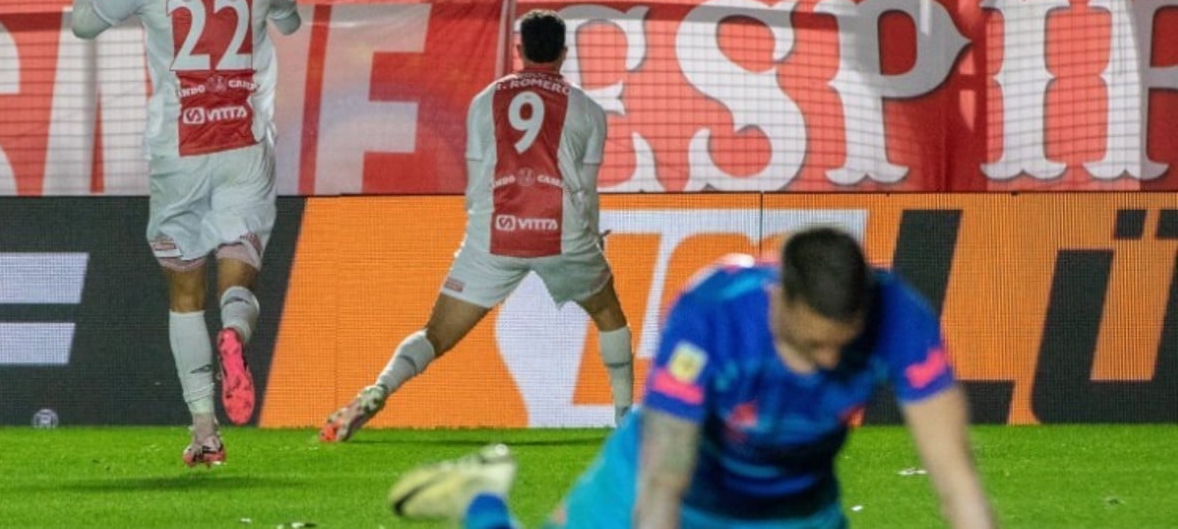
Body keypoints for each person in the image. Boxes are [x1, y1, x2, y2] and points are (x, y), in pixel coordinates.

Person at [389, 225, 999, 529]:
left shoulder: (900, 315)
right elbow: (664, 482)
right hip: (666, 477)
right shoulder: (712, 314)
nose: (827, 365)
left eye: (842, 346)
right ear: (779, 299)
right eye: (812, 345)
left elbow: (955, 479)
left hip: (797, 508)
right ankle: (484, 497)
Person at [70, 0, 301, 467]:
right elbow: (291, 23)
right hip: (243, 143)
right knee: (240, 264)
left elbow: (84, 24)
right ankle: (235, 334)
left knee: (184, 290)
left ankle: (204, 432)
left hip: (178, 149)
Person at [321, 9, 634, 442]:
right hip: (561, 236)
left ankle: (380, 388)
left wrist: (482, 228)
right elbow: (586, 190)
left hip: (493, 236)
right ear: (564, 53)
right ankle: (625, 418)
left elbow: (476, 179)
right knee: (609, 316)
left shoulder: (486, 99)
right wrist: (593, 238)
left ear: (519, 49)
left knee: (435, 335)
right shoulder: (588, 109)